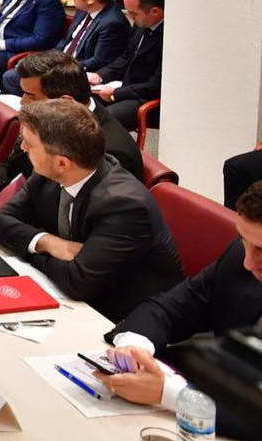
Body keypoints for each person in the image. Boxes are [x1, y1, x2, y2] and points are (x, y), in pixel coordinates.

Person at [0, 99, 182, 320]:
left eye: (30, 145)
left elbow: (77, 282)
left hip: (123, 316)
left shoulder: (124, 205)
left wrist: (31, 251)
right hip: (77, 299)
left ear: (62, 163)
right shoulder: (49, 173)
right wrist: (48, 243)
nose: (22, 148)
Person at [97, 181, 262, 435]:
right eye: (244, 240)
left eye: (261, 249)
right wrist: (135, 348)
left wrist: (172, 394)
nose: (248, 263)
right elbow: (169, 308)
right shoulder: (238, 258)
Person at [0, 51, 144, 220]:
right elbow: (15, 161)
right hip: (15, 205)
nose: (22, 102)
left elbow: (71, 218)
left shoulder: (110, 151)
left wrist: (6, 224)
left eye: (30, 95)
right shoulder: (49, 119)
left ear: (64, 101)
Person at [0, 0, 129, 94]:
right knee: (19, 71)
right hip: (62, 61)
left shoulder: (112, 23)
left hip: (77, 73)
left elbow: (98, 61)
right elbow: (67, 41)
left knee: (12, 77)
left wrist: (56, 67)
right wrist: (46, 59)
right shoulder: (84, 10)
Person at [91, 0, 164, 133]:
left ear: (155, 12)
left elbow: (154, 86)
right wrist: (100, 75)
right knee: (80, 104)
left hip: (146, 97)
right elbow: (125, 57)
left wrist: (116, 93)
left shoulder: (168, 36)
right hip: (125, 86)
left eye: (134, 13)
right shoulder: (140, 24)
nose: (129, 17)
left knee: (103, 120)